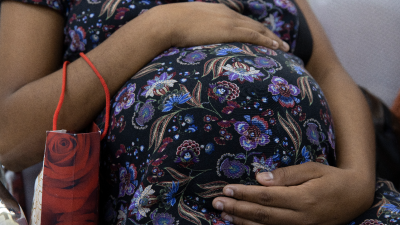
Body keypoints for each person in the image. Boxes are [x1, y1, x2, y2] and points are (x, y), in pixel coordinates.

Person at [0, 0, 398, 224]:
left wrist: (358, 181)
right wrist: (159, 28)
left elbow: (328, 70)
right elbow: (10, 135)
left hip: (323, 211)